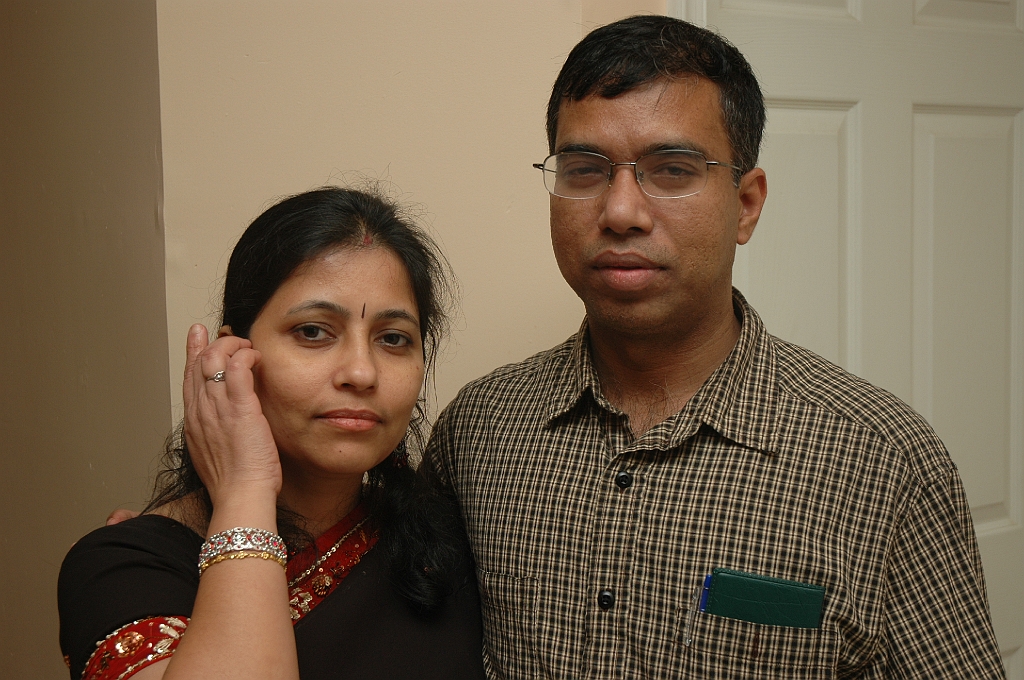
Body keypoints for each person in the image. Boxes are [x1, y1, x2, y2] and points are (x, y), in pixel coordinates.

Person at [422, 15, 1005, 679]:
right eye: (584, 170)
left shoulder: (883, 464)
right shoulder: (478, 432)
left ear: (747, 204)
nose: (620, 212)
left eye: (672, 170)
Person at [58, 187, 486, 680]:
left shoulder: (452, 549)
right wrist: (245, 491)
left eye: (393, 338)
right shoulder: (125, 567)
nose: (362, 372)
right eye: (312, 331)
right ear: (230, 356)